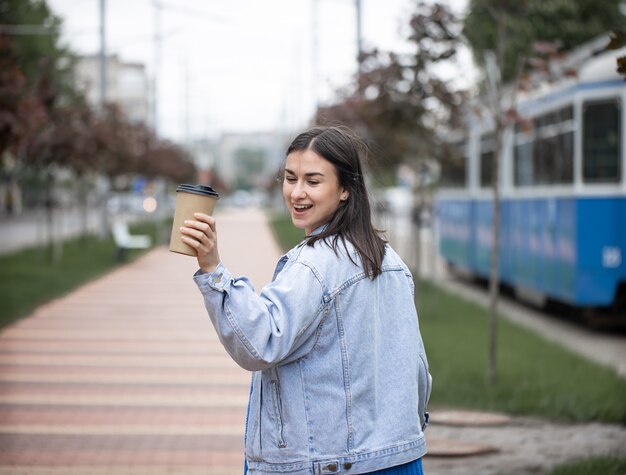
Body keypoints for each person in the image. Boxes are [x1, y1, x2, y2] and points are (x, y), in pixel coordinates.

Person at [180, 125, 432, 475]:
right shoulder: (390, 262)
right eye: (290, 178)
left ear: (345, 189)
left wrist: (213, 269)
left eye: (313, 181)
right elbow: (417, 368)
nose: (297, 192)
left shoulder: (314, 263)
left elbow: (259, 343)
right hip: (399, 458)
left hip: (324, 463)